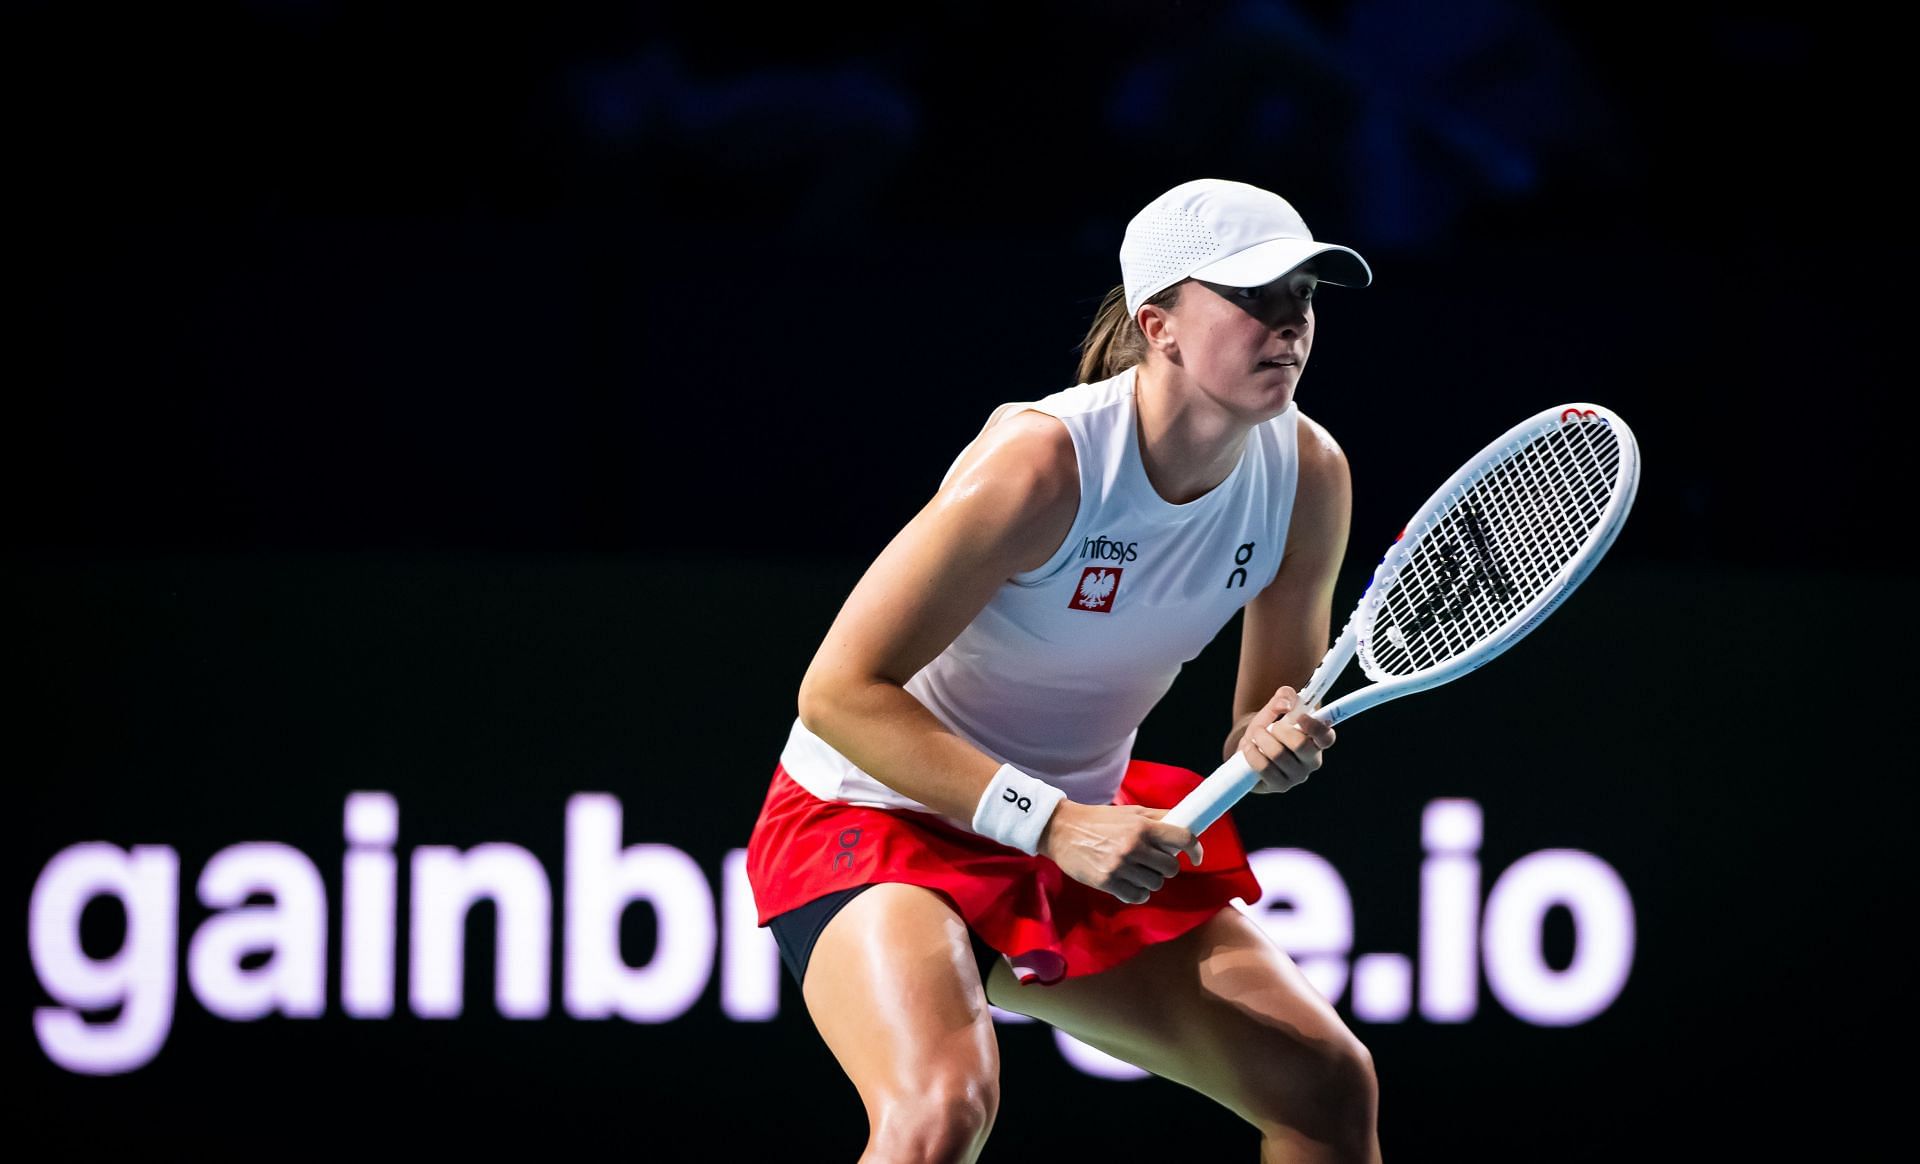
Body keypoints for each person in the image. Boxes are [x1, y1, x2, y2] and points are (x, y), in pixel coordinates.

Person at [744, 177, 1382, 1163]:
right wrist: (1055, 823)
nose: (1290, 322)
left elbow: (1267, 707)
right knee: (939, 1110)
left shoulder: (1308, 475)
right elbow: (836, 694)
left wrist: (1273, 739)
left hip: (1075, 824)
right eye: (1254, 297)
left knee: (1322, 1084)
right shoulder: (1042, 465)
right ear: (1158, 324)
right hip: (875, 813)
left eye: (1303, 296)